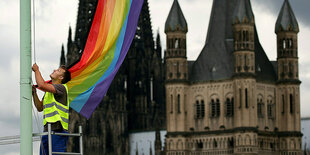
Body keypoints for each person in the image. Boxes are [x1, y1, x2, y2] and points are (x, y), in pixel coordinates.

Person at [32, 63, 71, 155]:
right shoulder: (48, 92)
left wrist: (37, 70)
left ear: (61, 77)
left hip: (58, 130)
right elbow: (39, 107)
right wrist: (34, 93)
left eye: (58, 71)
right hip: (47, 130)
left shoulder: (62, 88)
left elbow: (41, 85)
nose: (54, 70)